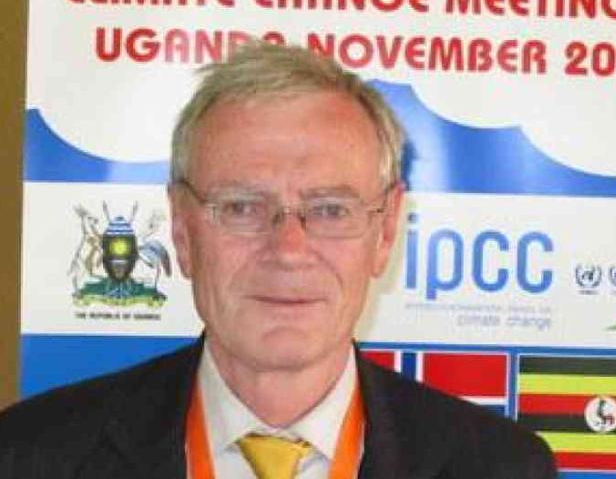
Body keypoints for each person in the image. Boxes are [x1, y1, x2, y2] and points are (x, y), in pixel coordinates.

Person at [0, 40, 557, 478]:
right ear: (181, 230)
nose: (289, 249)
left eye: (332, 210)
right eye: (242, 206)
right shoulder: (30, 454)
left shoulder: (500, 466)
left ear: (385, 231)